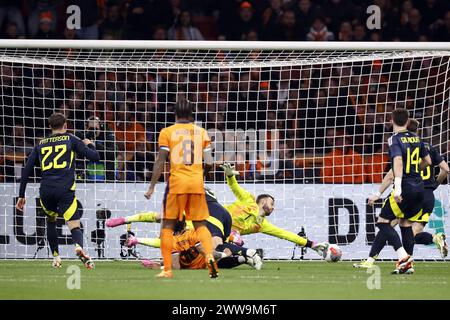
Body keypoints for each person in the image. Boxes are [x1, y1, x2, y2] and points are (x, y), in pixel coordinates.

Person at [355, 119, 449, 269]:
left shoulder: (404, 146)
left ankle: (372, 260)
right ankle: (431, 241)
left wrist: (379, 193)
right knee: (410, 233)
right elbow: (445, 169)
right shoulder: (427, 147)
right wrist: (435, 185)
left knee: (386, 224)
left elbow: (392, 174)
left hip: (407, 190)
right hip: (426, 196)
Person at [16, 113, 100, 269]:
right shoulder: (71, 139)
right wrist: (89, 144)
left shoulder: (40, 144)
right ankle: (79, 247)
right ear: (66, 125)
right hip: (64, 189)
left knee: (51, 221)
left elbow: (26, 170)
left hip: (46, 190)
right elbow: (95, 157)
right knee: (74, 225)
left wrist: (21, 195)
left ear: (49, 127)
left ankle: (56, 257)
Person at [143, 100, 217, 279]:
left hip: (176, 184)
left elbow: (160, 160)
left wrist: (152, 186)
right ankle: (209, 257)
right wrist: (201, 174)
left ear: (174, 114)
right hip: (196, 183)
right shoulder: (202, 132)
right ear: (192, 114)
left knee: (167, 226)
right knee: (201, 225)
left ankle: (167, 269)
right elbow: (209, 163)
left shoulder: (167, 132)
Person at [106, 187, 263, 269]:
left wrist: (127, 225)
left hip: (209, 213)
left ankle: (248, 252)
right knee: (214, 258)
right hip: (221, 214)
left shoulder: (183, 220)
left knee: (213, 250)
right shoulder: (182, 225)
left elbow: (153, 218)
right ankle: (243, 257)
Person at [219, 163, 328, 256]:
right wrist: (230, 176)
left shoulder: (261, 225)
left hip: (221, 235)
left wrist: (311, 244)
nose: (273, 207)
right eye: (271, 203)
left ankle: (239, 255)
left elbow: (285, 234)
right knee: (235, 238)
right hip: (215, 218)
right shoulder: (248, 199)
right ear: (262, 202)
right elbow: (235, 187)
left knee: (236, 241)